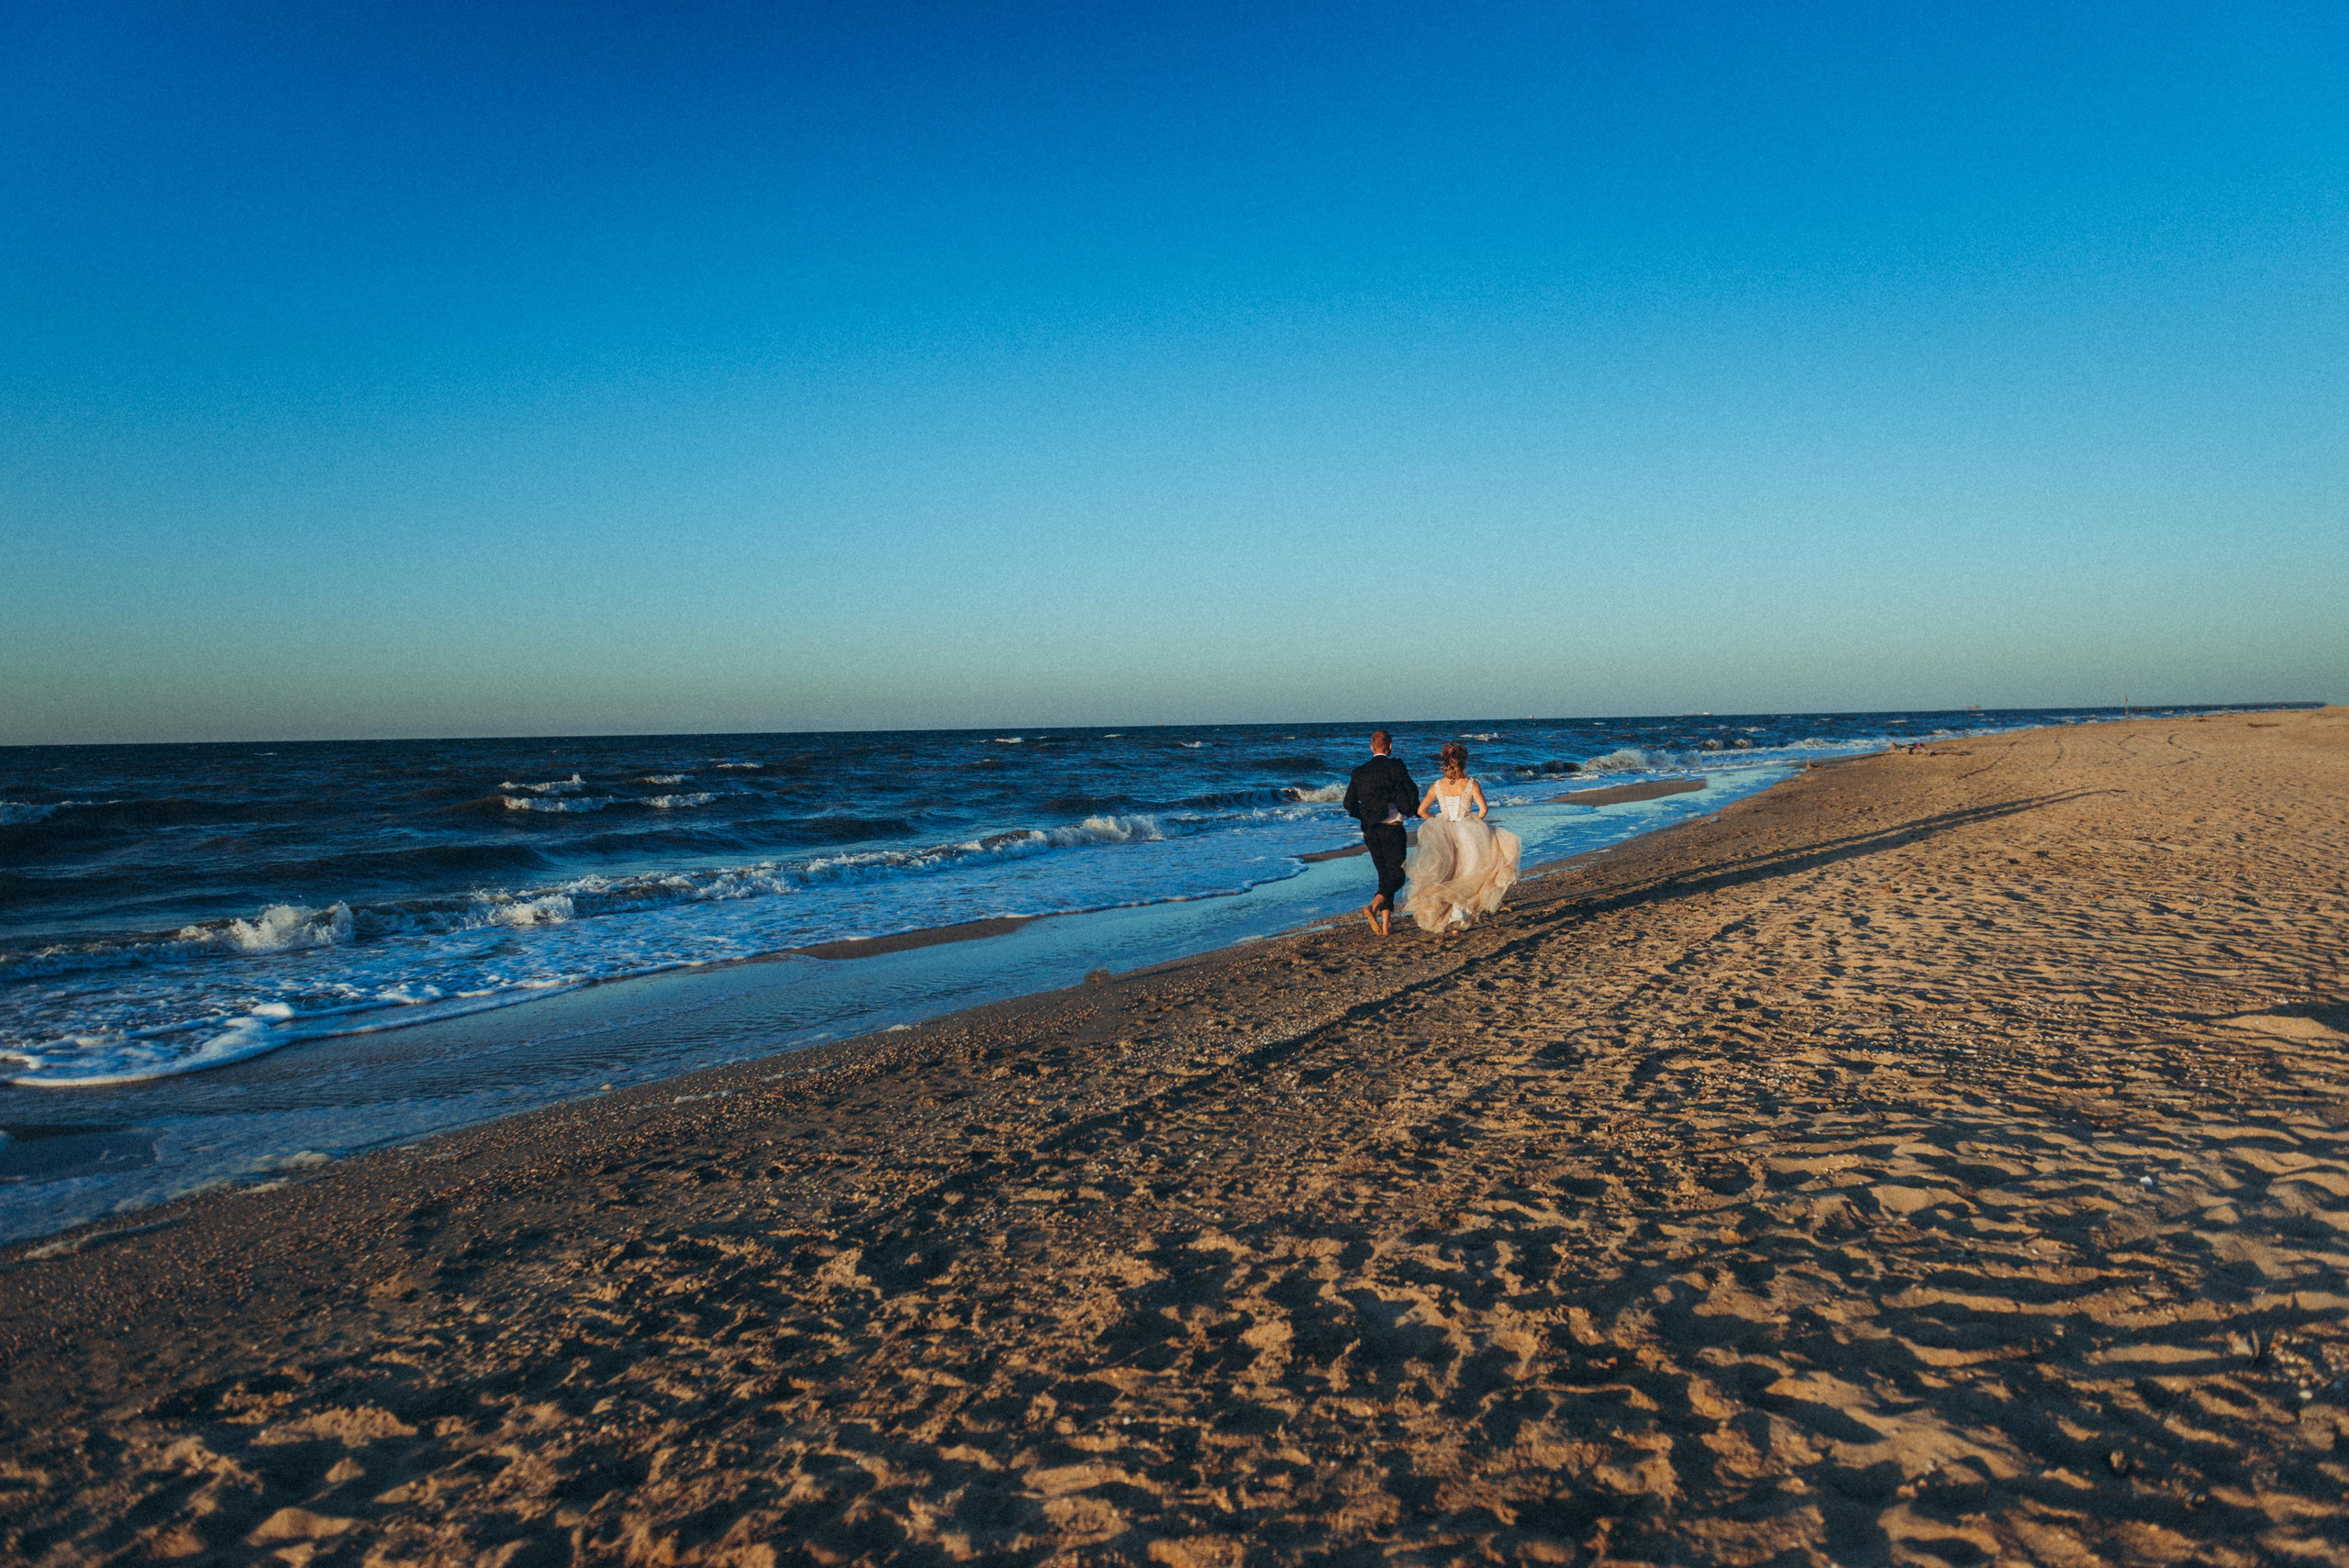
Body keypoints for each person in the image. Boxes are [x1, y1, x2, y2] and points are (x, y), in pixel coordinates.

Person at [1403, 742, 1522, 933]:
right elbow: (1483, 810)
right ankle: (1458, 918)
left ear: (1444, 761)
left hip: (1443, 832)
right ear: (1464, 761)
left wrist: (1436, 822)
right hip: (1468, 834)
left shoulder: (1436, 786)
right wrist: (1473, 823)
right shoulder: (1471, 784)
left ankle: (1447, 918)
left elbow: (1421, 811)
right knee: (1467, 876)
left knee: (1446, 875)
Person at [1341, 729, 1420, 937]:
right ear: (1391, 746)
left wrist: (1365, 816)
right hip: (1392, 828)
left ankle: (1386, 924)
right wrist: (1412, 810)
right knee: (1397, 876)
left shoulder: (1359, 772)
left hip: (1370, 830)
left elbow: (1348, 803)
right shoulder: (1396, 767)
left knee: (1384, 876)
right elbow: (1410, 792)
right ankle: (1374, 906)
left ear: (1371, 747)